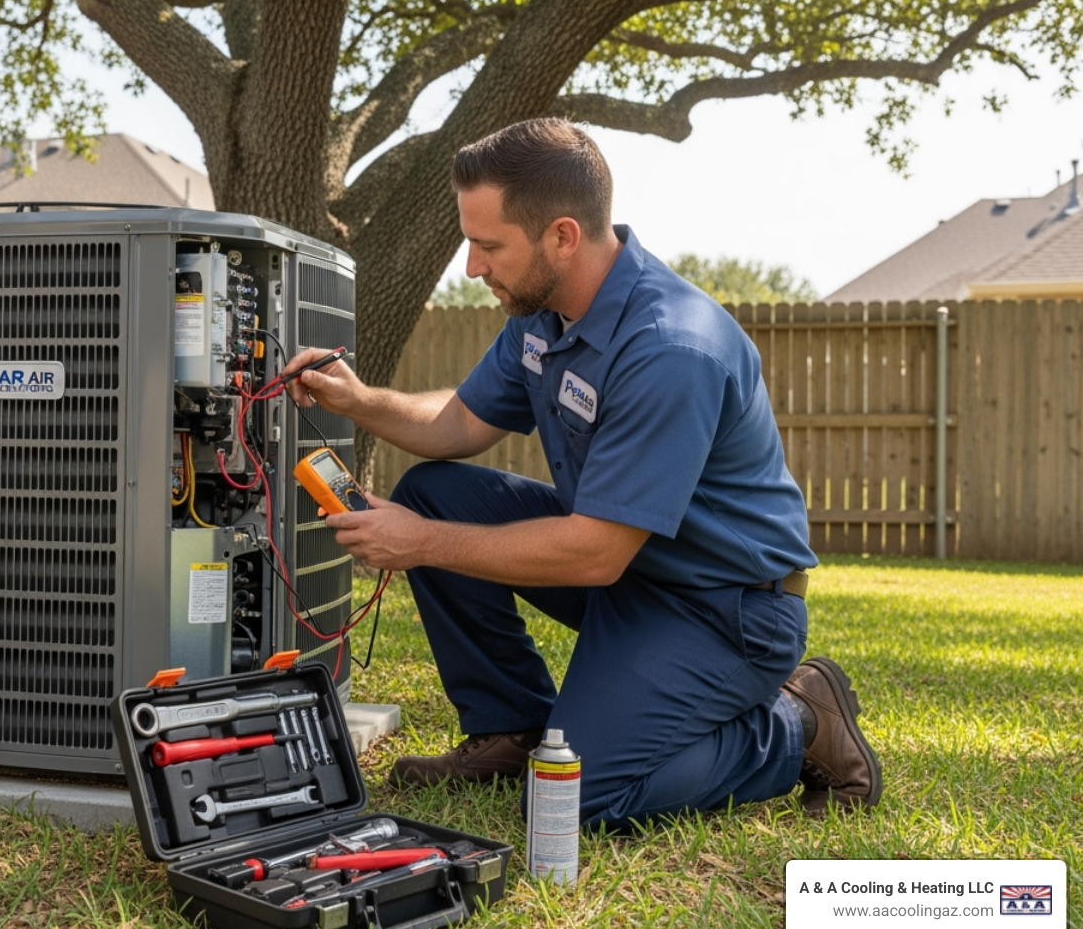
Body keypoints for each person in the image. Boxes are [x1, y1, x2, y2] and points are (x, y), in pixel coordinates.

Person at [281, 118, 882, 829]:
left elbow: (594, 553)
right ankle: (511, 731)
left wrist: (418, 544)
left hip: (723, 609)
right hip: (634, 575)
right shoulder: (545, 316)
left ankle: (796, 722)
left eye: (488, 245)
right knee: (434, 491)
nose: (473, 267)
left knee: (574, 799)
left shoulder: (671, 348)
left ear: (562, 236)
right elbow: (457, 425)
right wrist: (359, 400)